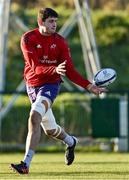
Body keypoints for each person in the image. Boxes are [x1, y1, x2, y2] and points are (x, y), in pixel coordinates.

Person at [10, 7, 106, 174]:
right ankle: (71, 141)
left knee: (34, 117)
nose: (55, 24)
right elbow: (36, 68)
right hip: (32, 86)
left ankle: (25, 164)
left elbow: (69, 70)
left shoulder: (60, 41)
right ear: (41, 22)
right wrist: (54, 69)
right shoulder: (28, 39)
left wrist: (89, 86)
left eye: (56, 21)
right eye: (51, 21)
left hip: (51, 85)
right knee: (50, 129)